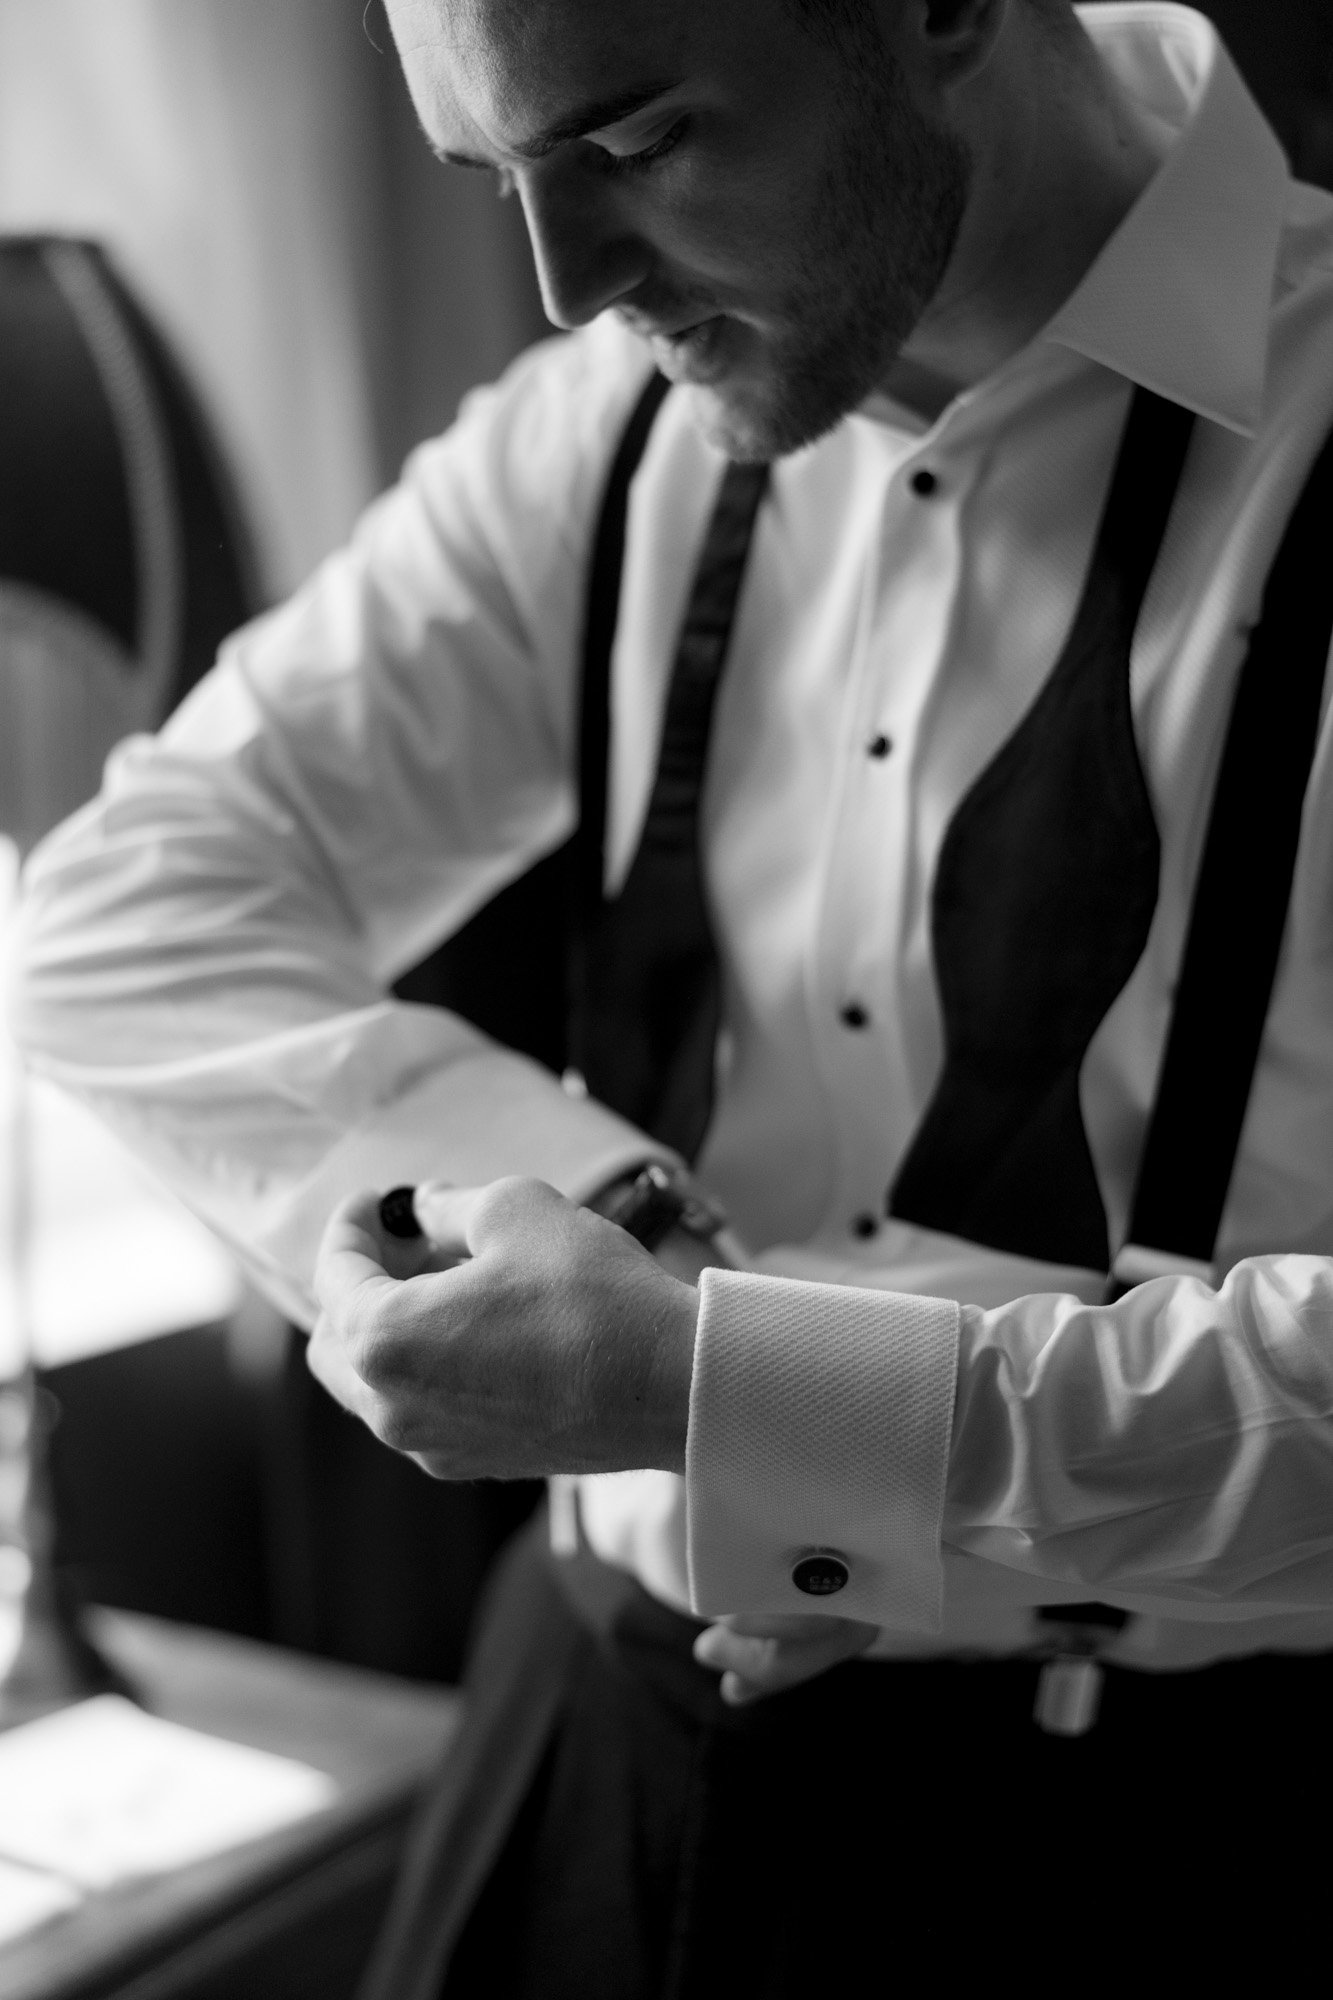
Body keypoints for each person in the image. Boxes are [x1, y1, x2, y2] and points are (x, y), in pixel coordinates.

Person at [13, 0, 1333, 1988]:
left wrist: (738, 1400)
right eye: (494, 179)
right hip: (598, 1756)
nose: (565, 286)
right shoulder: (598, 433)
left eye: (632, 147)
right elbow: (121, 913)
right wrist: (647, 1259)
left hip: (1187, 1837)